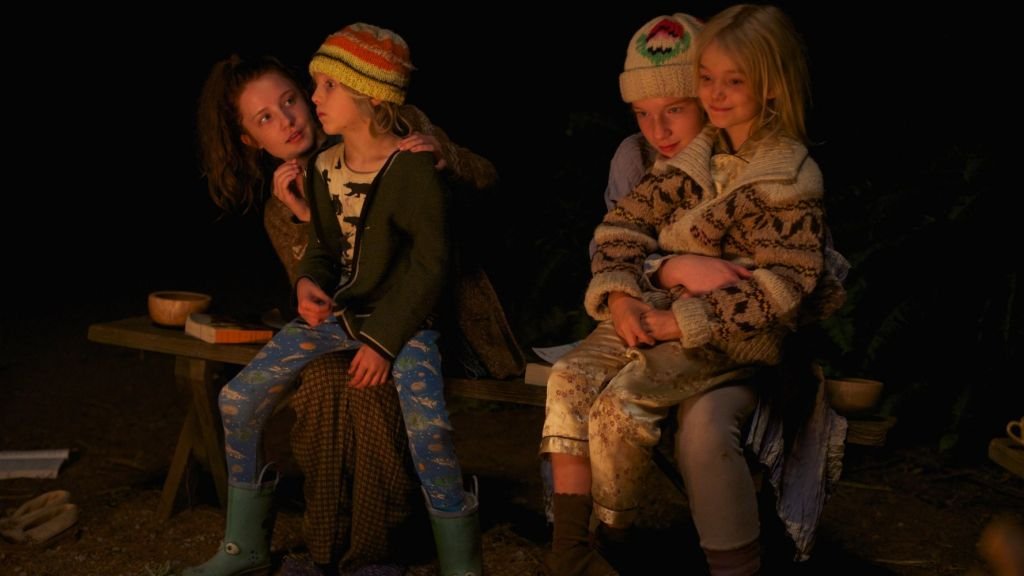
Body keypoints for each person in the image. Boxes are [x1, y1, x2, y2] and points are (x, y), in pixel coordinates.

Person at [542, 6, 847, 575]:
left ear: (772, 86)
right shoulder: (693, 158)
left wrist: (676, 322)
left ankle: (616, 537)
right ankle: (573, 554)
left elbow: (785, 285)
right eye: (707, 79)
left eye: (733, 82)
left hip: (734, 339)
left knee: (618, 408)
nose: (716, 94)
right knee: (568, 378)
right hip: (659, 312)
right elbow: (620, 228)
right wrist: (622, 297)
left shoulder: (787, 174)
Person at [189, 26, 483, 576]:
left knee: (408, 419)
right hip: (343, 320)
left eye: (300, 96)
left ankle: (433, 559)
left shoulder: (409, 151)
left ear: (367, 94)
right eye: (265, 118)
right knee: (266, 396)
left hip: (407, 321)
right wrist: (306, 275)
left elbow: (429, 262)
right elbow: (325, 255)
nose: (299, 110)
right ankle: (268, 545)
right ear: (250, 139)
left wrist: (444, 155)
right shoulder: (313, 177)